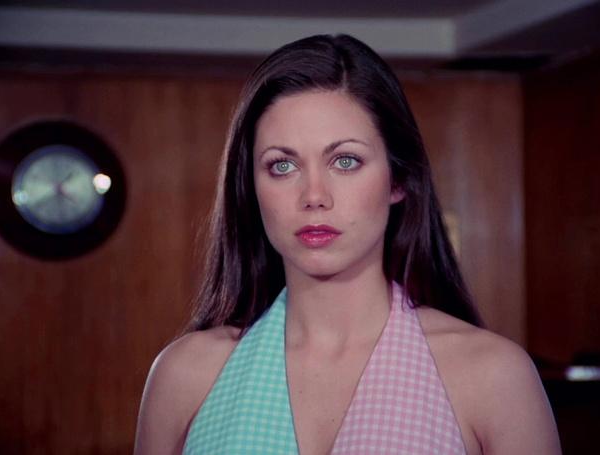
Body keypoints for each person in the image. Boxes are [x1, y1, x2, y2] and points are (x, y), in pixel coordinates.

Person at [134, 34, 561, 454]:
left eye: (345, 161)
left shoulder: (492, 378)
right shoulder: (185, 376)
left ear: (398, 180)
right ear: (249, 187)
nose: (314, 196)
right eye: (282, 166)